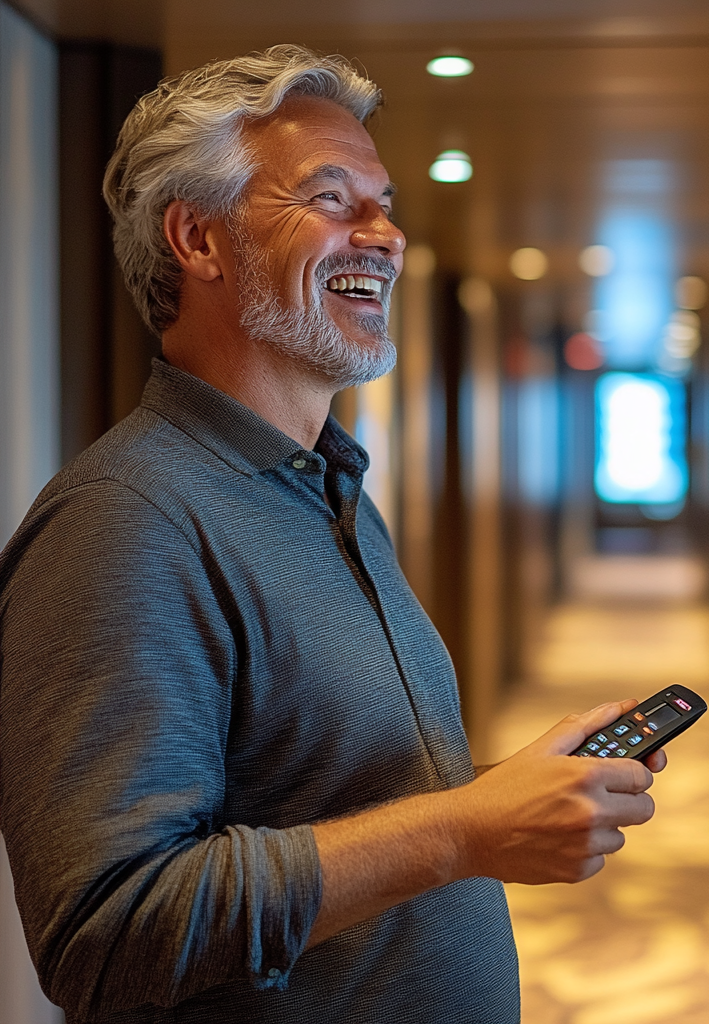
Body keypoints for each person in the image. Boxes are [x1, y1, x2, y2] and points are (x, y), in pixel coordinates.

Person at [0, 44, 666, 1023]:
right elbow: (104, 929)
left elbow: (328, 804)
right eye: (333, 199)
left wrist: (503, 798)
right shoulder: (124, 522)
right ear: (199, 239)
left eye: (385, 202)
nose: (386, 235)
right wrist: (459, 831)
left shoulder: (328, 485)